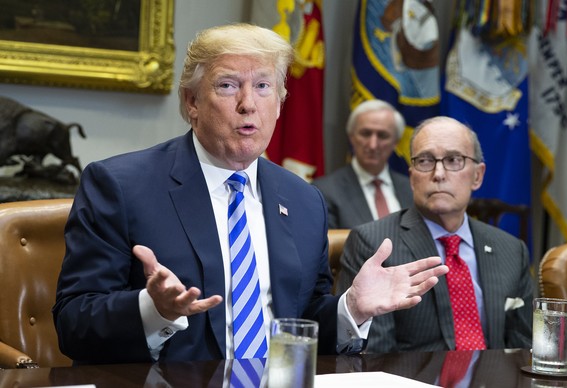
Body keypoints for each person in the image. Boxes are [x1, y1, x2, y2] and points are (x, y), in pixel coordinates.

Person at [52, 23, 448, 364]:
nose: (248, 105)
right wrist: (152, 310)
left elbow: (304, 320)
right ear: (191, 102)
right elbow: (73, 324)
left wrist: (351, 309)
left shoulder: (304, 200)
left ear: (279, 104)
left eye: (262, 87)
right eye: (228, 86)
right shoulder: (119, 185)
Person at [336, 116, 533, 353]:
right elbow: (374, 358)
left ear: (477, 176)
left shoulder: (511, 250)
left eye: (453, 160)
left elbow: (524, 351)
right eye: (425, 161)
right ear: (412, 177)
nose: (438, 174)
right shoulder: (375, 244)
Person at [312, 99, 412, 229]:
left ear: (396, 142)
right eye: (365, 134)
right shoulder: (324, 192)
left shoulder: (411, 189)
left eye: (382, 135)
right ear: (351, 137)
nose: (373, 145)